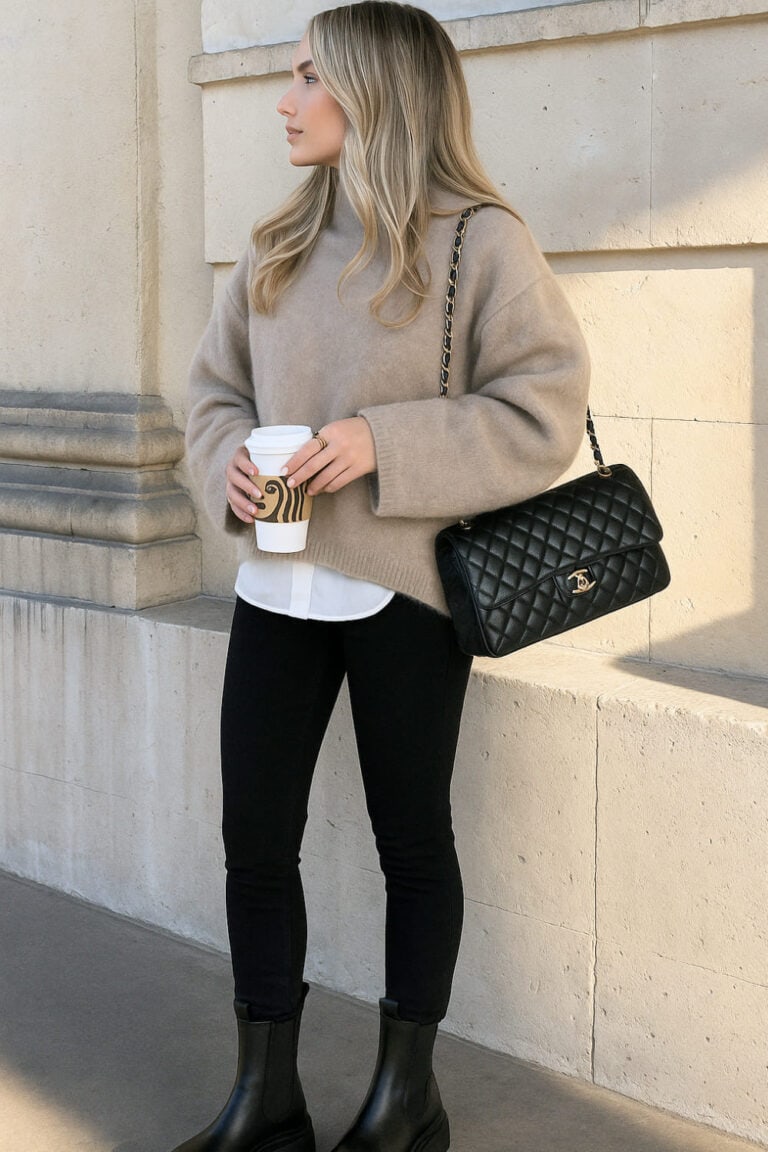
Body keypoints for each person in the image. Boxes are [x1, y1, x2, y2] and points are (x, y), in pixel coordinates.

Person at [176, 3, 590, 1150]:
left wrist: (382, 443)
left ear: (373, 94)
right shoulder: (275, 248)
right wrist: (228, 476)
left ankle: (408, 1101)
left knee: (412, 839)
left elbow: (542, 406)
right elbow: (212, 397)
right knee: (253, 837)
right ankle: (268, 1099)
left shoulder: (478, 242)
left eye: (308, 76)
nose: (285, 97)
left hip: (404, 588)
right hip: (277, 587)